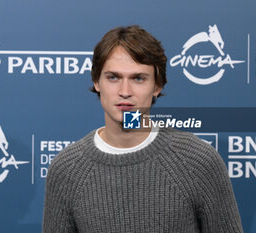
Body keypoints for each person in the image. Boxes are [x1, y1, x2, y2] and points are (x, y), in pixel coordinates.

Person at [42, 25, 244, 233]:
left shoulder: (197, 161)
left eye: (138, 78)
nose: (125, 91)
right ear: (96, 82)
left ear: (157, 86)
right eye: (113, 77)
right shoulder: (67, 170)